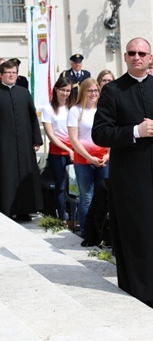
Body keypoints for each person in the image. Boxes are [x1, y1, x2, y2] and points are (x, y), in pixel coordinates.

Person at [91, 37, 153, 309]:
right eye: (132, 53)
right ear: (125, 57)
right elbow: (99, 133)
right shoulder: (113, 90)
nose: (137, 57)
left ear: (150, 57)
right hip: (130, 179)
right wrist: (136, 131)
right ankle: (141, 291)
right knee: (138, 231)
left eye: (142, 53)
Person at [0, 60, 43, 220]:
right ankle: (7, 211)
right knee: (7, 175)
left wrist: (36, 140)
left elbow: (32, 117)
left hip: (25, 143)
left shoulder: (24, 93)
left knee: (26, 174)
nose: (11, 75)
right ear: (1, 75)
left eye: (14, 72)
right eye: (8, 72)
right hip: (4, 145)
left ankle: (25, 210)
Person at [68, 78, 109, 237]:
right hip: (83, 160)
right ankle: (87, 232)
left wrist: (107, 155)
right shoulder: (75, 111)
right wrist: (90, 158)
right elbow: (74, 139)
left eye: (96, 90)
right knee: (87, 198)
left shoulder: (104, 110)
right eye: (90, 90)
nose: (93, 94)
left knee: (102, 198)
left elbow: (111, 134)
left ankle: (101, 231)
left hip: (103, 159)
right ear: (83, 92)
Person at [41, 77, 75, 221]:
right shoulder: (48, 109)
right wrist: (68, 149)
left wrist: (74, 148)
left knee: (74, 187)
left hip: (75, 151)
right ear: (56, 89)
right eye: (62, 90)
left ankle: (74, 217)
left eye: (68, 90)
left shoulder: (73, 108)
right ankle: (62, 218)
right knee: (60, 186)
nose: (65, 93)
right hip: (58, 152)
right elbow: (51, 135)